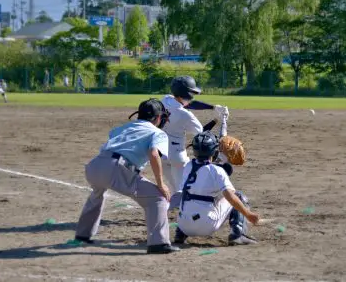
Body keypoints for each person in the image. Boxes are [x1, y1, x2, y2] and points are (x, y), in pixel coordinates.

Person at [73, 98, 179, 254]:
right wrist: (160, 183)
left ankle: (83, 234)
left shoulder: (121, 128)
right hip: (116, 169)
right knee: (158, 197)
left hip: (94, 166)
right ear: (158, 118)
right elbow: (153, 153)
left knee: (97, 193)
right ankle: (159, 243)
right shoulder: (158, 132)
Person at [173, 131, 260, 246]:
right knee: (238, 196)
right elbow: (230, 197)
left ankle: (180, 234)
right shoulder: (218, 171)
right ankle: (238, 235)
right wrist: (248, 214)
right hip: (206, 225)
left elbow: (205, 172)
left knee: (190, 198)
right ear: (214, 151)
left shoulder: (188, 166)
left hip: (184, 225)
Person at [161, 76, 228, 209]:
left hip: (161, 153)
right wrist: (216, 120)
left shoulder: (166, 100)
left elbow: (188, 104)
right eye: (191, 93)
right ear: (186, 93)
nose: (192, 96)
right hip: (177, 156)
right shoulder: (186, 115)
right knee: (184, 189)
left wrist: (213, 107)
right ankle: (176, 212)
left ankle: (171, 209)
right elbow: (202, 133)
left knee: (174, 188)